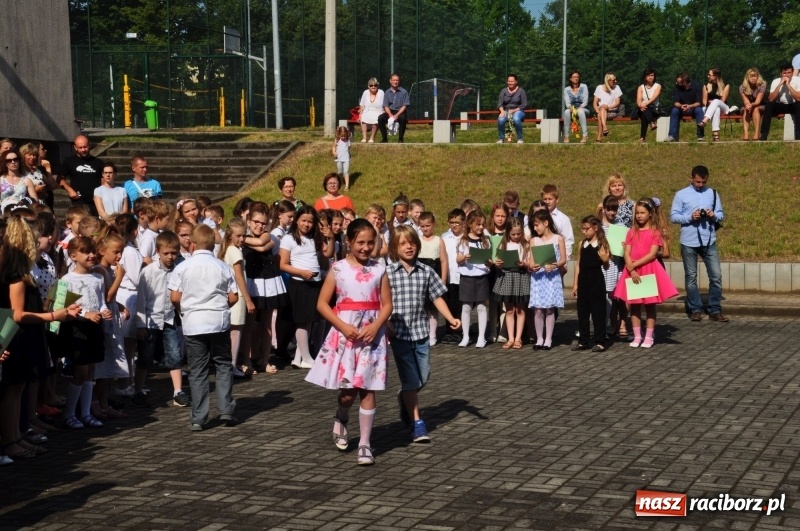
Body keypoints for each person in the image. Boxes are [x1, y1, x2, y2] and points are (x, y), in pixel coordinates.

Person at [305, 219, 392, 465]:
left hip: (371, 336)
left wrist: (376, 326)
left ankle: (365, 443)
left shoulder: (379, 268)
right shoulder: (338, 268)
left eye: (370, 243)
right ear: (349, 242)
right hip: (346, 334)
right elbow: (322, 303)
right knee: (348, 392)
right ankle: (342, 415)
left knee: (368, 386)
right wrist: (342, 326)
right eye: (360, 242)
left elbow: (387, 304)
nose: (366, 248)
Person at [0, 216, 80, 460]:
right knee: (12, 390)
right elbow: (17, 314)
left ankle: (17, 435)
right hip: (16, 336)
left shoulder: (25, 273)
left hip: (25, 335)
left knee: (19, 388)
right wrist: (53, 315)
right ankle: (10, 439)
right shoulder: (17, 277)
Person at [386, 225, 460, 443]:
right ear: (394, 248)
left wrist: (449, 317)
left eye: (411, 243)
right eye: (402, 244)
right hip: (399, 334)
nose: (408, 247)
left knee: (423, 377)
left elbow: (437, 297)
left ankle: (405, 399)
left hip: (421, 333)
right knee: (410, 380)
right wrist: (385, 322)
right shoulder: (388, 273)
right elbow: (380, 302)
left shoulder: (426, 271)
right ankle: (418, 423)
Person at [169, 224, 239, 432]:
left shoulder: (183, 267)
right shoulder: (221, 266)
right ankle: (226, 408)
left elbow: (174, 297)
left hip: (194, 323)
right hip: (218, 321)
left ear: (192, 243)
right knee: (223, 365)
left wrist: (184, 308)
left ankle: (199, 417)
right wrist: (221, 306)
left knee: (197, 371)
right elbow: (234, 296)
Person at [59, 236, 111, 429]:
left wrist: (104, 310)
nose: (91, 255)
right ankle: (70, 413)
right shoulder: (66, 279)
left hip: (95, 328)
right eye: (85, 252)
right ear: (73, 255)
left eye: (92, 251)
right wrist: (84, 313)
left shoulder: (98, 277)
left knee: (90, 371)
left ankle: (86, 412)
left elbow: (101, 300)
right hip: (77, 328)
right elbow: (63, 306)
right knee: (80, 370)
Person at [613, 198, 679, 348]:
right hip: (633, 270)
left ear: (650, 214)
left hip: (648, 269)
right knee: (634, 305)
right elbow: (627, 251)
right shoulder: (631, 232)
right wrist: (631, 268)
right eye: (637, 213)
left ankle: (649, 336)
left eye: (642, 213)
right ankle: (637, 335)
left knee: (650, 305)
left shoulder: (655, 232)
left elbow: (652, 254)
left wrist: (632, 266)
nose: (639, 216)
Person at [136, 231, 190, 408]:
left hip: (169, 318)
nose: (170, 257)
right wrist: (140, 324)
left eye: (174, 253)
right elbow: (141, 299)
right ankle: (138, 390)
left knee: (174, 354)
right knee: (146, 357)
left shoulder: (180, 269)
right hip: (151, 319)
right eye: (166, 253)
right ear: (157, 252)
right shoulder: (148, 272)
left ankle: (178, 391)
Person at [670, 165, 728, 323]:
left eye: (703, 182)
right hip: (688, 240)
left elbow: (721, 215)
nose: (700, 185)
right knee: (691, 277)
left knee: (716, 276)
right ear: (691, 178)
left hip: (709, 239)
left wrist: (713, 214)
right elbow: (674, 217)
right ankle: (695, 309)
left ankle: (715, 309)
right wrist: (690, 217)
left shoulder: (713, 193)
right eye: (697, 182)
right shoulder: (681, 194)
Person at [279, 205, 326, 369]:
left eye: (310, 222)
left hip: (314, 282)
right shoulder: (288, 238)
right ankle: (307, 358)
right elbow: (283, 264)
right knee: (302, 321)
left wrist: (330, 236)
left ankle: (298, 358)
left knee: (309, 321)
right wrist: (301, 273)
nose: (307, 224)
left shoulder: (314, 238)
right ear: (297, 220)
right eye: (304, 220)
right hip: (299, 283)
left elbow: (327, 253)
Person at [571, 216, 611, 352]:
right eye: (582, 229)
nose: (584, 232)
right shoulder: (582, 244)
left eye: (586, 229)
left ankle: (600, 341)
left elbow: (606, 266)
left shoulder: (602, 244)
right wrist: (575, 284)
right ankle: (583, 340)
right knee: (582, 311)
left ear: (595, 228)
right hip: (583, 280)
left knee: (597, 311)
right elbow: (578, 264)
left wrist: (605, 260)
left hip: (596, 280)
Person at [528, 210, 566, 351]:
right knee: (538, 309)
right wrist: (534, 267)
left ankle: (548, 338)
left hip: (552, 277)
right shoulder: (534, 241)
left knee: (549, 309)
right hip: (539, 278)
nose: (536, 228)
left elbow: (563, 259)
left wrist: (554, 265)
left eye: (537, 225)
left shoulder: (558, 239)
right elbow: (531, 262)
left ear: (546, 223)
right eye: (534, 226)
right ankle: (539, 338)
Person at [455, 210, 492, 348]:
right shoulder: (463, 241)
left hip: (481, 277)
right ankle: (465, 337)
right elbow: (458, 259)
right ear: (470, 224)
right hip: (467, 277)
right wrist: (464, 257)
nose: (481, 227)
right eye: (478, 225)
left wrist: (489, 262)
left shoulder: (486, 241)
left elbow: (490, 260)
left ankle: (481, 338)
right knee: (466, 307)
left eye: (483, 225)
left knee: (482, 307)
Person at [491, 217, 530, 350]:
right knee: (509, 310)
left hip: (520, 276)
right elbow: (499, 263)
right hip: (507, 276)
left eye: (519, 234)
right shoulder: (504, 244)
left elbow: (529, 263)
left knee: (520, 309)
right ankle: (510, 338)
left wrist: (523, 263)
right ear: (508, 233)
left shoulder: (525, 244)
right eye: (513, 234)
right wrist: (498, 264)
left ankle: (518, 338)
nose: (516, 236)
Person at [417, 212, 448, 346]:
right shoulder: (417, 240)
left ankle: (432, 334)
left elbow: (443, 261)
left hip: (434, 274)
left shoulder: (438, 240)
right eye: (422, 226)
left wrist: (443, 279)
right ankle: (422, 332)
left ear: (433, 225)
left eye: (428, 225)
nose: (425, 228)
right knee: (422, 307)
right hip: (421, 276)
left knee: (434, 307)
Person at [58, 135, 104, 216]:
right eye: (80, 147)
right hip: (78, 202)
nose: (83, 150)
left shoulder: (98, 162)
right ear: (75, 147)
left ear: (89, 146)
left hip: (95, 201)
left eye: (85, 147)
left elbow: (103, 181)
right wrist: (69, 190)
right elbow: (59, 178)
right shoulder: (69, 161)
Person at [759, 63, 800, 141]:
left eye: (789, 73)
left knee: (799, 104)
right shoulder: (776, 81)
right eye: (784, 73)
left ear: (792, 73)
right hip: (781, 105)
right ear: (780, 74)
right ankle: (764, 134)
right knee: (769, 105)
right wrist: (780, 84)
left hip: (794, 105)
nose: (787, 75)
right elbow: (771, 99)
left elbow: (798, 98)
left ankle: (798, 134)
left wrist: (788, 85)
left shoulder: (797, 80)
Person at [665, 73, 704, 142]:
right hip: (681, 109)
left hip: (693, 108)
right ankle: (671, 136)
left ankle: (700, 135)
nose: (676, 83)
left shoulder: (697, 86)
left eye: (678, 82)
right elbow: (675, 102)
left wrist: (690, 106)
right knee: (674, 111)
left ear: (685, 83)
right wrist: (681, 106)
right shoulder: (677, 87)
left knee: (699, 110)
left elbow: (698, 102)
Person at [0, 149, 38, 213]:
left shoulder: (27, 180)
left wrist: (25, 202)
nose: (13, 162)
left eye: (15, 159)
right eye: (9, 160)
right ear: (5, 163)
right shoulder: (1, 180)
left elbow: (35, 200)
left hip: (22, 214)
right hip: (3, 214)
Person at [20, 143, 56, 210]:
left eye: (34, 155)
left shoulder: (37, 171)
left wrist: (48, 169)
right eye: (29, 155)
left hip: (42, 204)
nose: (32, 157)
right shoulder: (21, 171)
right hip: (28, 205)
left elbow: (52, 186)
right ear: (23, 155)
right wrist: (35, 190)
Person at [699, 68, 731, 142]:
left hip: (724, 107)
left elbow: (723, 100)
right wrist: (708, 104)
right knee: (716, 109)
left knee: (716, 101)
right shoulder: (706, 85)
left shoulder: (726, 85)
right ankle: (715, 134)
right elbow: (704, 100)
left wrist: (713, 102)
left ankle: (704, 121)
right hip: (710, 108)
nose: (708, 76)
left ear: (716, 76)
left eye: (710, 75)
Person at [377, 73, 410, 143]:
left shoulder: (404, 92)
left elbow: (405, 106)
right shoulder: (387, 92)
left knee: (403, 118)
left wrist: (397, 115)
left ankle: (401, 138)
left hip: (400, 111)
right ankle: (384, 138)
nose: (395, 82)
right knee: (380, 118)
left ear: (399, 81)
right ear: (390, 81)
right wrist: (390, 115)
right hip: (390, 111)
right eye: (394, 80)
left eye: (397, 80)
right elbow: (385, 106)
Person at [497, 74, 527, 144]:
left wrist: (514, 110)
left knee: (516, 118)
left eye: (512, 81)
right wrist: (502, 111)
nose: (510, 83)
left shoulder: (521, 91)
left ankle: (520, 138)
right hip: (506, 110)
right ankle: (501, 139)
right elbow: (499, 104)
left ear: (516, 82)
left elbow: (524, 104)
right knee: (500, 119)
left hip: (519, 110)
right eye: (509, 81)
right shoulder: (503, 91)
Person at [593, 73, 623, 142]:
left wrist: (608, 107)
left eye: (616, 80)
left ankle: (599, 137)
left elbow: (617, 103)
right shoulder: (599, 88)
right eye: (613, 80)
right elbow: (594, 103)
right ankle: (605, 128)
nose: (615, 81)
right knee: (601, 112)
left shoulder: (616, 87)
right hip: (601, 110)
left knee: (601, 113)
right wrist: (598, 111)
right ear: (608, 81)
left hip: (612, 110)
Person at [739, 68, 766, 141]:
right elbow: (746, 101)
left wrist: (752, 105)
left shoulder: (762, 86)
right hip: (747, 105)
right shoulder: (742, 87)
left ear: (758, 77)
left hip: (760, 105)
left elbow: (758, 101)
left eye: (755, 76)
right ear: (747, 77)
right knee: (746, 109)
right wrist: (748, 105)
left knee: (756, 109)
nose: (753, 78)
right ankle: (746, 134)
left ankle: (756, 133)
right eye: (751, 76)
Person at [635, 68, 662, 142]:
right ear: (645, 77)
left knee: (644, 115)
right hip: (642, 108)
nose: (651, 77)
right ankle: (652, 123)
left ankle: (642, 137)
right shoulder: (641, 87)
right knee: (644, 111)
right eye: (648, 75)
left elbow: (654, 98)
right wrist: (640, 105)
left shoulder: (658, 86)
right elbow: (638, 99)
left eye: (652, 75)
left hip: (654, 108)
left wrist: (645, 104)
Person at [563, 70, 590, 143]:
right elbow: (567, 103)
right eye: (574, 77)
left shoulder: (584, 86)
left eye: (577, 77)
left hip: (583, 109)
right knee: (566, 112)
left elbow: (585, 101)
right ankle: (566, 136)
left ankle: (585, 135)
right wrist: (570, 108)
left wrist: (580, 107)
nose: (576, 78)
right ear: (570, 79)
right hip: (572, 109)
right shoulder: (566, 89)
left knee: (580, 111)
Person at [358, 78, 385, 143]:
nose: (373, 87)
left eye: (375, 85)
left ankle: (372, 138)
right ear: (368, 86)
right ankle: (364, 137)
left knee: (376, 119)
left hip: (378, 111)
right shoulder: (365, 92)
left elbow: (384, 104)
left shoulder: (381, 92)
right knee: (363, 117)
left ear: (377, 86)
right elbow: (362, 104)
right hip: (367, 110)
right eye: (371, 85)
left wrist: (384, 111)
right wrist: (360, 112)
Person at [332, 126, 352, 191]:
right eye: (342, 136)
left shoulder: (348, 141)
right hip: (339, 159)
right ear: (339, 134)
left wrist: (349, 154)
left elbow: (348, 149)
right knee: (340, 172)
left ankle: (347, 186)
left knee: (346, 171)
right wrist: (334, 153)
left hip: (346, 159)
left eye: (344, 136)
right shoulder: (337, 140)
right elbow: (334, 147)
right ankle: (341, 181)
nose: (343, 137)